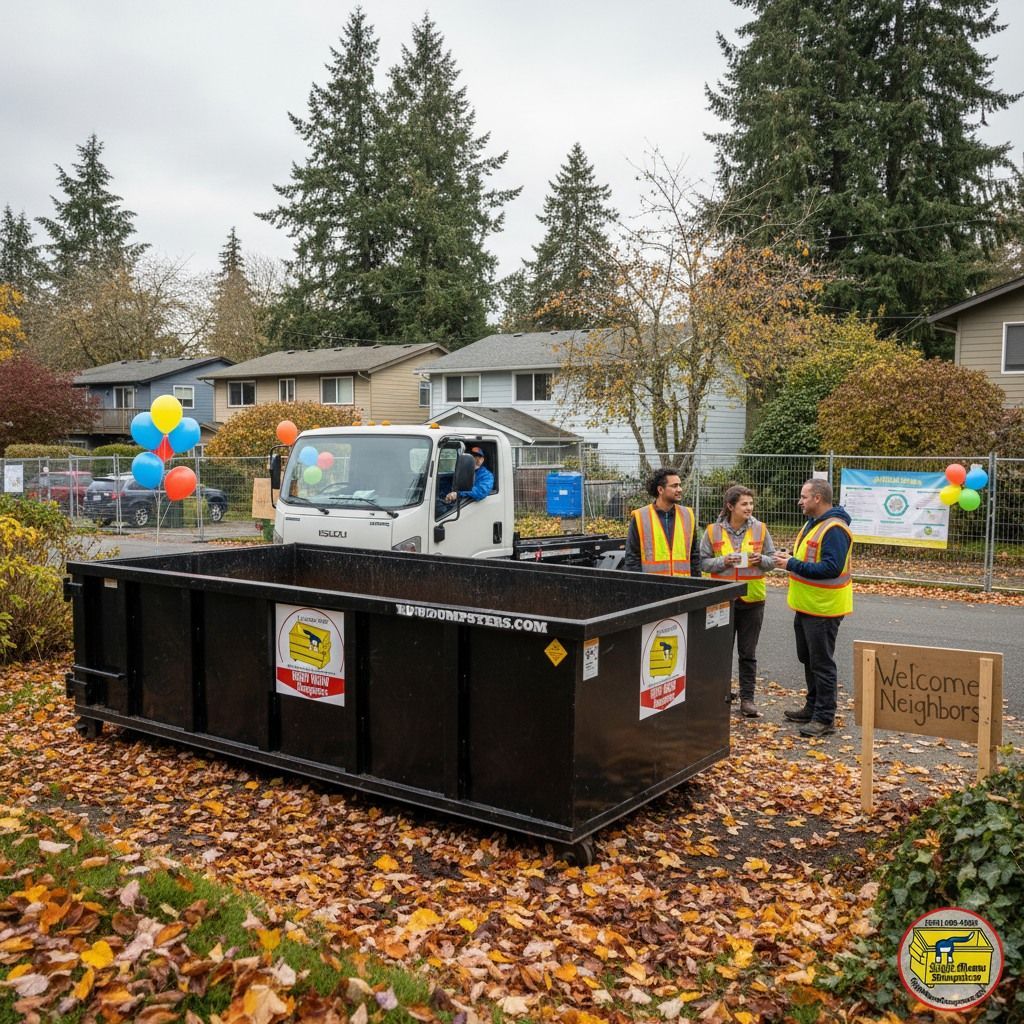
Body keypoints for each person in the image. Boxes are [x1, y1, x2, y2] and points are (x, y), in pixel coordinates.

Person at [773, 478, 853, 738]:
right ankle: (812, 707)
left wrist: (791, 565)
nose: (800, 501)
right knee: (808, 659)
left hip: (824, 608)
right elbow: (809, 558)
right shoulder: (814, 523)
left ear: (818, 498)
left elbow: (831, 567)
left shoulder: (834, 529)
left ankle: (824, 717)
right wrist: (790, 559)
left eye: (804, 496)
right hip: (807, 605)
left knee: (822, 663)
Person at [700, 485, 777, 718]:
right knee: (719, 651)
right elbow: (703, 562)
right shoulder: (712, 531)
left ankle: (747, 699)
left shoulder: (761, 529)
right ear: (730, 506)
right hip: (722, 600)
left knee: (748, 653)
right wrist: (723, 561)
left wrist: (760, 559)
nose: (749, 508)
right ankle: (718, 695)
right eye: (744, 504)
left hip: (752, 600)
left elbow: (772, 560)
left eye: (751, 504)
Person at [624, 467, 699, 576]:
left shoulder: (688, 515)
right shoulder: (641, 516)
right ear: (660, 490)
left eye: (679, 485)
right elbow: (632, 557)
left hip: (683, 586)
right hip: (653, 588)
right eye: (674, 486)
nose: (680, 489)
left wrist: (696, 584)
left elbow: (694, 555)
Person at [441, 446, 494, 510]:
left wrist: (458, 494)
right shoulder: (462, 470)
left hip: (467, 506)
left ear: (482, 460)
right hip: (454, 503)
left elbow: (480, 491)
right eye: (473, 456)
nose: (476, 459)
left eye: (479, 457)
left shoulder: (487, 475)